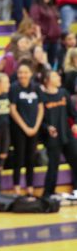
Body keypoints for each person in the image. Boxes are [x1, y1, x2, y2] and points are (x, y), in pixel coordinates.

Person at [40, 70, 77, 198]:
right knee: (53, 166)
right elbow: (40, 119)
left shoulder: (64, 93)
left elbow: (73, 113)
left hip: (67, 134)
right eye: (55, 76)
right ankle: (48, 193)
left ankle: (76, 191)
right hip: (52, 138)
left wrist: (75, 124)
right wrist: (47, 127)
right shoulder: (42, 97)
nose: (59, 78)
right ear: (47, 80)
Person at [8, 61, 43, 195]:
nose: (22, 75)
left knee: (31, 158)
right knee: (19, 157)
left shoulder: (36, 87)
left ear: (31, 74)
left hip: (34, 128)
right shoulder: (14, 87)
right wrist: (25, 127)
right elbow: (13, 110)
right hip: (19, 129)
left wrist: (35, 127)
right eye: (20, 72)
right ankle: (16, 186)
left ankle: (30, 187)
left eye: (25, 72)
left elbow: (40, 108)